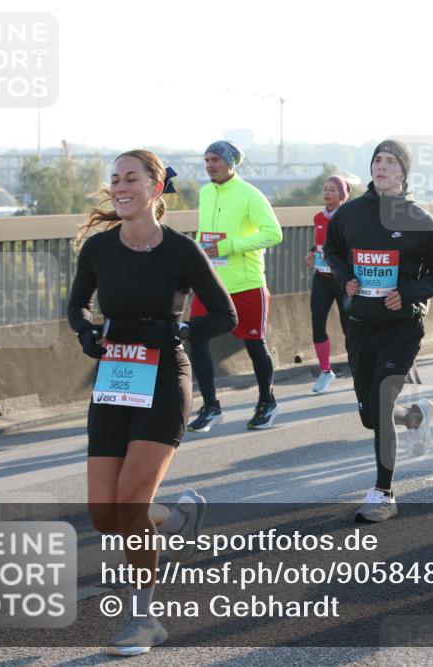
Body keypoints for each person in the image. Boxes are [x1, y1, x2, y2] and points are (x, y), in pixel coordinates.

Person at [67, 150, 237, 655]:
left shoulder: (181, 251)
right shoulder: (99, 250)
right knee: (105, 514)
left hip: (164, 378)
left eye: (131, 179)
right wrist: (86, 333)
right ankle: (178, 517)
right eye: (115, 179)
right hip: (116, 375)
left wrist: (183, 329)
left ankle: (142, 617)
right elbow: (76, 305)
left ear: (156, 187)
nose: (120, 187)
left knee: (131, 502)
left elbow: (224, 314)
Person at [323, 139, 433, 522]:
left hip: (401, 328)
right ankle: (414, 417)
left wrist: (409, 293)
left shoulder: (419, 219)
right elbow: (332, 251)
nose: (381, 166)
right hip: (360, 326)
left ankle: (383, 492)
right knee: (371, 416)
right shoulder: (349, 215)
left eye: (390, 161)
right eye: (376, 160)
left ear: (403, 172)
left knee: (381, 402)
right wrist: (345, 277)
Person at [186, 140, 284, 432]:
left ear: (229, 162)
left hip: (247, 283)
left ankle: (267, 401)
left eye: (215, 159)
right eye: (206, 160)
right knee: (196, 339)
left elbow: (274, 233)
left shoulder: (249, 195)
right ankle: (211, 406)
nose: (209, 165)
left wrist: (230, 246)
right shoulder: (205, 193)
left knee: (255, 345)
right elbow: (206, 236)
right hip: (211, 285)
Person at [305, 175, 352, 393]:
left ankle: (358, 368)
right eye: (324, 189)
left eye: (332, 190)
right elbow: (320, 244)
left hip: (342, 281)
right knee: (317, 324)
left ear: (342, 194)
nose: (326, 193)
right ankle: (325, 372)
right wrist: (312, 252)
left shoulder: (349, 217)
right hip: (322, 278)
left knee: (348, 327)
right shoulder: (317, 217)